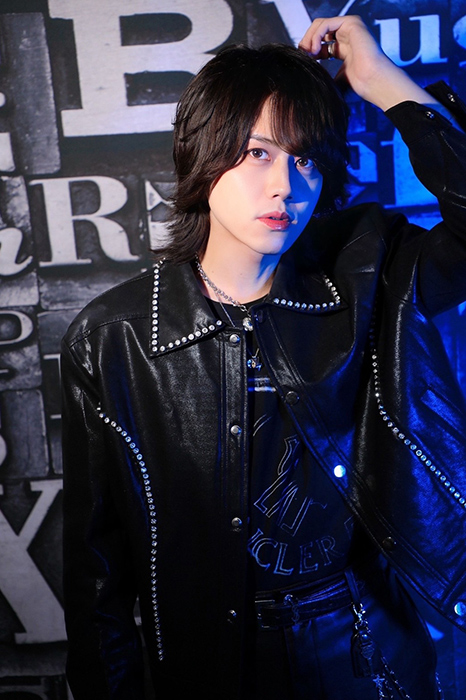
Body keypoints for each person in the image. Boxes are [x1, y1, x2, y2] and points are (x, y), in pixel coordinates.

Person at [61, 14, 466, 700]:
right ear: (203, 154)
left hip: (366, 659)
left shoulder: (370, 274)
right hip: (207, 666)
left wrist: (383, 84)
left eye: (305, 158)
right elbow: (97, 578)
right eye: (257, 153)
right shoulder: (114, 338)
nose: (285, 185)